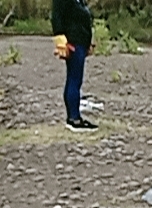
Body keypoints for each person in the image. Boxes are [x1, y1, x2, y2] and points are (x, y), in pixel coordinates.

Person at [51, 0, 96, 132]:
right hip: (73, 42)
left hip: (81, 42)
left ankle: (74, 116)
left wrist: (88, 43)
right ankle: (74, 118)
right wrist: (61, 41)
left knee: (75, 79)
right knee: (74, 79)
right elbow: (57, 17)